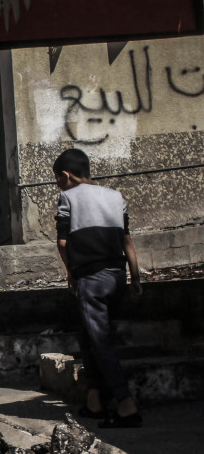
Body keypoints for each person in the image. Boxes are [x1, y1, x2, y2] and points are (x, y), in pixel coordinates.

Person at [54, 148, 144, 428]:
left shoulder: (67, 197)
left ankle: (126, 404)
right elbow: (127, 240)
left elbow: (63, 242)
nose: (58, 184)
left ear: (66, 175)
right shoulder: (116, 197)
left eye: (58, 179)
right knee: (88, 335)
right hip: (116, 276)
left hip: (91, 280)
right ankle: (94, 399)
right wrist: (135, 277)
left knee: (101, 342)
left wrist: (71, 275)